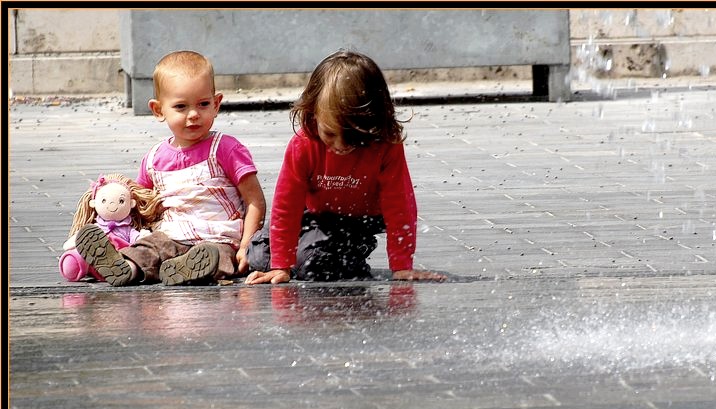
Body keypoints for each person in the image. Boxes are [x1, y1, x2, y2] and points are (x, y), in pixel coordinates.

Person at [244, 50, 445, 285]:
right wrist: (281, 266)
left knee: (313, 265)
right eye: (330, 133)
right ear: (313, 115)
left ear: (373, 120)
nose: (340, 146)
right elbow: (286, 207)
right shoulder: (303, 144)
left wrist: (401, 266)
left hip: (359, 221)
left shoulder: (384, 145)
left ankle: (344, 252)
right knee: (258, 256)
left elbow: (399, 204)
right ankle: (324, 255)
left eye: (352, 136)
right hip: (314, 215)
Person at [75, 50, 266, 286]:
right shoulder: (154, 159)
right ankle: (125, 268)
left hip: (218, 238)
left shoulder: (226, 149)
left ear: (217, 104)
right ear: (158, 110)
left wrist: (247, 244)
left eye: (203, 104)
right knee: (149, 249)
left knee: (219, 259)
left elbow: (254, 199)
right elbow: (142, 206)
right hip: (171, 235)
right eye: (181, 107)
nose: (194, 114)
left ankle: (189, 269)